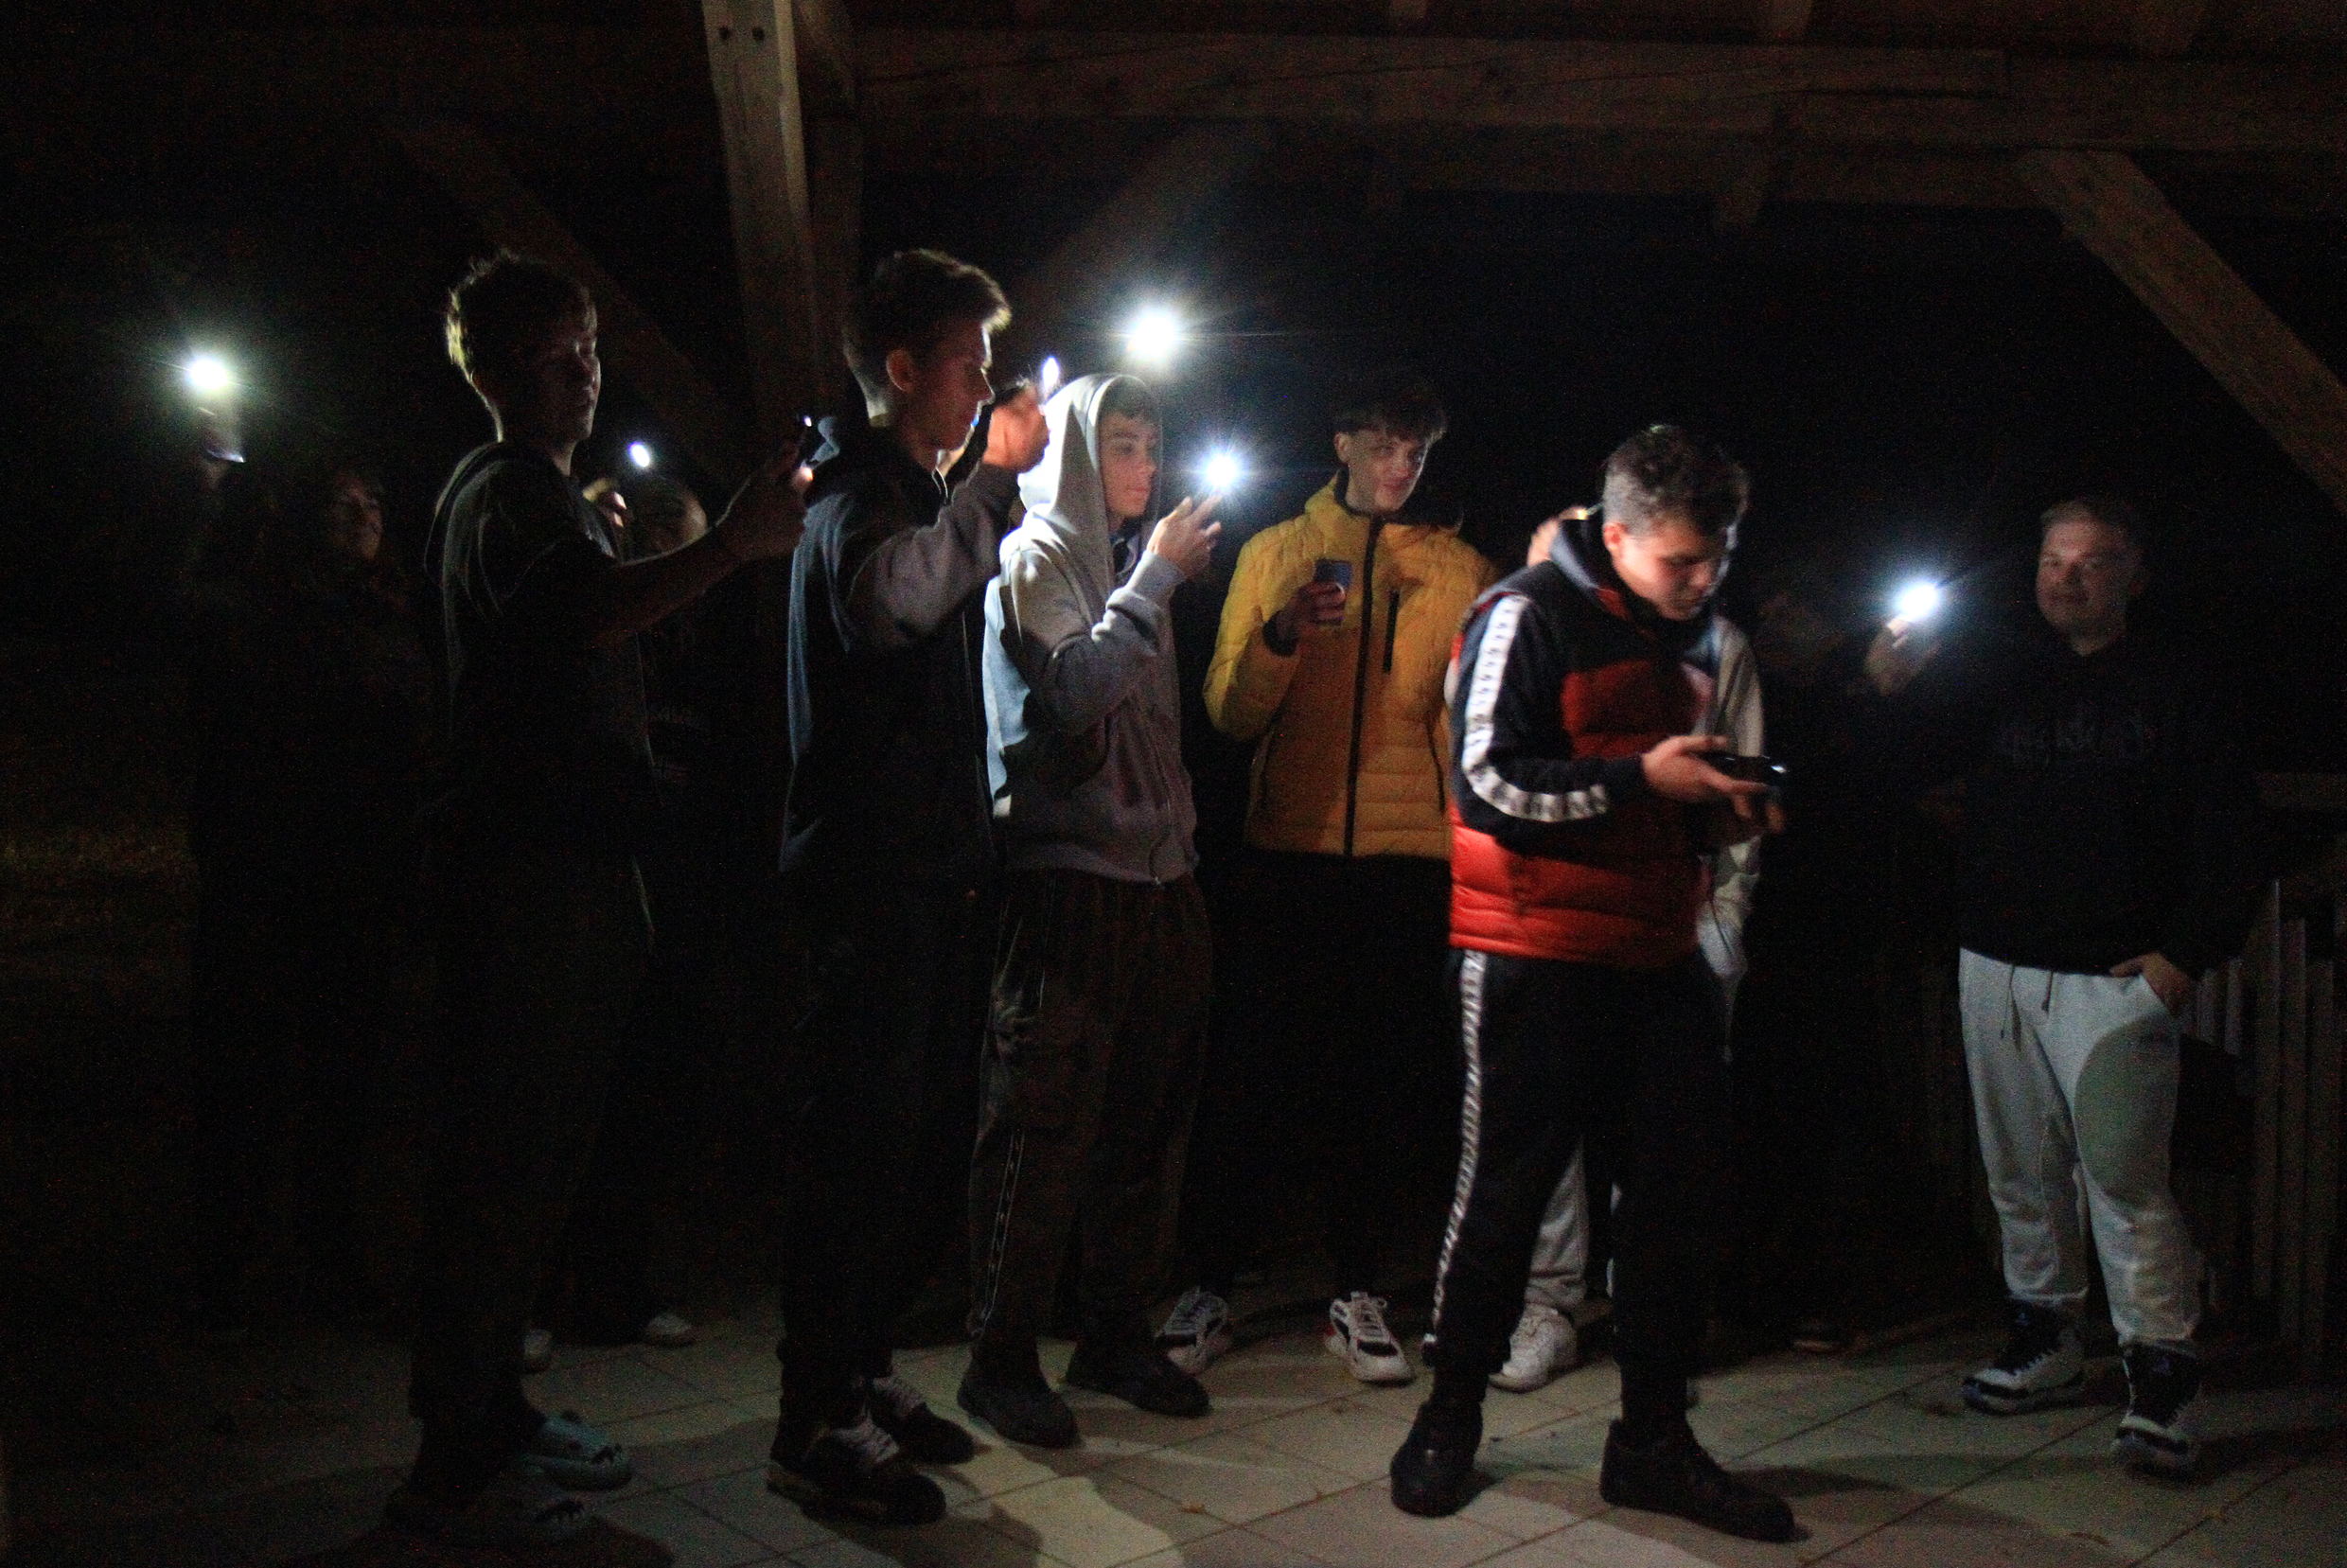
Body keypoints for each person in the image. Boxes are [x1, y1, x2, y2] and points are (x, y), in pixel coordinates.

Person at [394, 252, 801, 1549]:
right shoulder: (507, 493)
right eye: (556, 353)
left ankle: (495, 1410)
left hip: (571, 866)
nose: (583, 373)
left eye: (587, 348)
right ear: (496, 370)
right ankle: (457, 1465)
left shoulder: (540, 497)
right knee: (505, 1160)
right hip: (533, 877)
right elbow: (576, 616)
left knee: (543, 1157)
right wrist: (727, 546)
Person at [1389, 426, 1795, 1545]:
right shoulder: (1523, 612)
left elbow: (1658, 789)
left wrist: (1719, 807)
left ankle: (1650, 1442)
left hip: (1656, 952)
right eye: (1680, 561)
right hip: (1529, 948)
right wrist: (1639, 779)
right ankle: (1445, 1418)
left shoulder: (1697, 630)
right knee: (1504, 1195)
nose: (1702, 581)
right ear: (1614, 537)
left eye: (1717, 559)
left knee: (1672, 1200)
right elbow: (1482, 785)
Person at [1873, 498, 2263, 1476]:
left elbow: (2231, 831)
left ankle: (2162, 1377)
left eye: (2091, 561)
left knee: (2125, 1180)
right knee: (2018, 1171)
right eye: (2053, 560)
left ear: (2135, 573)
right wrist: (1889, 688)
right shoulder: (2004, 676)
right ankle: (2044, 1337)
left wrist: (2182, 957)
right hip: (1996, 961)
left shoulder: (2178, 687)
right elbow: (1904, 770)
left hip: (2111, 975)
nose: (2067, 578)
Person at [770, 249, 1049, 1524]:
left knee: (911, 1144)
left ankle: (863, 1369)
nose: (985, 389)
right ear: (900, 369)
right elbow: (891, 605)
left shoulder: (913, 492)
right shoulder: (855, 496)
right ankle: (812, 1416)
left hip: (926, 873)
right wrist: (992, 484)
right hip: (868, 879)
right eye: (967, 364)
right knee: (855, 1150)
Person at [1166, 371, 1494, 1387]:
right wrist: (1282, 637)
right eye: (1385, 445)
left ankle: (1357, 1290)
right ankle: (1207, 1282)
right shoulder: (1274, 550)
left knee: (1382, 1082)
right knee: (1250, 1074)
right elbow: (1226, 712)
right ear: (1342, 442)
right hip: (1289, 849)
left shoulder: (1459, 568)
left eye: (1417, 452)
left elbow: (1472, 723)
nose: (1401, 466)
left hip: (1408, 862)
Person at [958, 375, 1223, 1447]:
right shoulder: (1034, 561)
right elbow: (1070, 696)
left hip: (1160, 880)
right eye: (1123, 445)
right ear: (1075, 452)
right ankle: (999, 1356)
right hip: (1070, 882)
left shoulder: (1122, 568)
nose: (1146, 467)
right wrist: (1154, 579)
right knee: (1041, 1124)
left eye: (1153, 445)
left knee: (1147, 1123)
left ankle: (1114, 1330)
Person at [1491, 513, 1765, 1392]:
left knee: (1663, 1143)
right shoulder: (1523, 632)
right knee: (1550, 1135)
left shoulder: (1716, 643)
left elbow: (1743, 779)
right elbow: (1492, 772)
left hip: (1676, 922)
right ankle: (1547, 1307)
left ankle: (1652, 1327)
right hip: (1560, 922)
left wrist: (1723, 915)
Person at [525, 473, 719, 1369]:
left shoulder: (704, 639)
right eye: (662, 537)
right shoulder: (613, 628)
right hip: (599, 861)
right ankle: (539, 1290)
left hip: (679, 874)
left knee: (651, 1085)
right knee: (577, 1084)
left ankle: (622, 1282)